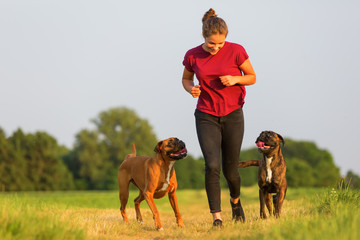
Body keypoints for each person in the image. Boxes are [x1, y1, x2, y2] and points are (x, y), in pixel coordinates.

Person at [182, 8, 256, 227]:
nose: (216, 48)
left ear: (226, 39)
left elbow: (252, 77)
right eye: (212, 44)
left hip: (233, 114)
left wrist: (235, 79)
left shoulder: (236, 51)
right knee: (212, 165)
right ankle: (217, 217)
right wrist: (191, 89)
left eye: (220, 44)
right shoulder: (193, 54)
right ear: (204, 37)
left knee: (231, 170)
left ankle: (235, 202)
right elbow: (186, 79)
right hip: (206, 114)